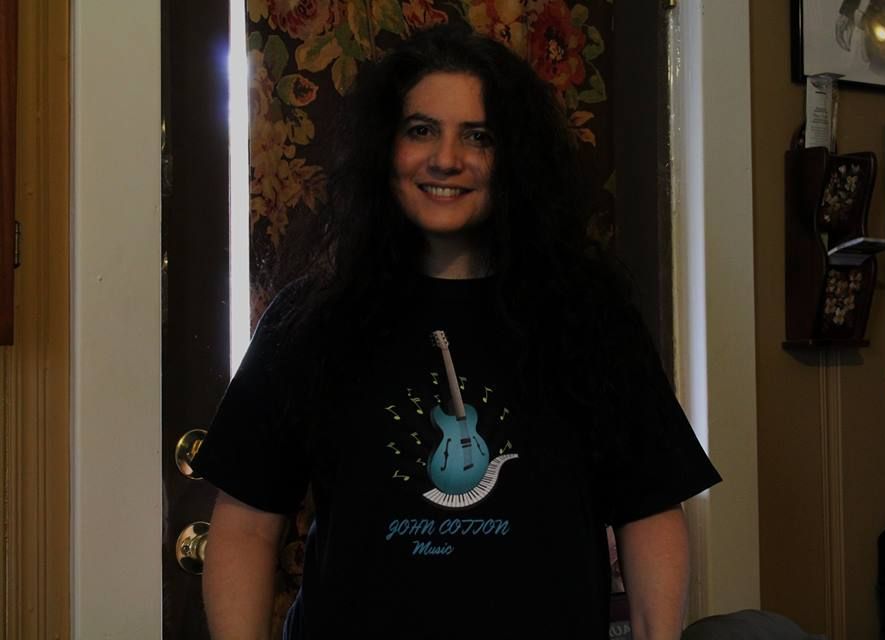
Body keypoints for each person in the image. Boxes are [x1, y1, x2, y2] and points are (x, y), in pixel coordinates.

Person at [194, 24, 720, 640]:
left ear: (513, 158)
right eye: (421, 130)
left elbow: (649, 508)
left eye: (478, 136)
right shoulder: (309, 320)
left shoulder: (591, 317)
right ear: (385, 148)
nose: (446, 158)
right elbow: (246, 525)